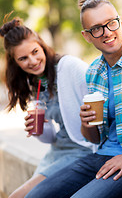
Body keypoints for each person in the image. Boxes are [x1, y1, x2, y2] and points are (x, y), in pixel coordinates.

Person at [25, 0, 122, 198]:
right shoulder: (94, 72)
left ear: (120, 21)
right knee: (35, 196)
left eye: (111, 23)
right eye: (96, 29)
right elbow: (95, 137)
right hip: (101, 156)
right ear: (87, 36)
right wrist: (87, 123)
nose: (107, 33)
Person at [0, 15, 96, 198]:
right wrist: (39, 130)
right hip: (57, 151)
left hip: (83, 150)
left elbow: (99, 98)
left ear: (42, 46)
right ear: (15, 62)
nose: (32, 61)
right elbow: (50, 138)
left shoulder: (69, 67)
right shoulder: (34, 83)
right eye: (23, 58)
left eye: (35, 52)